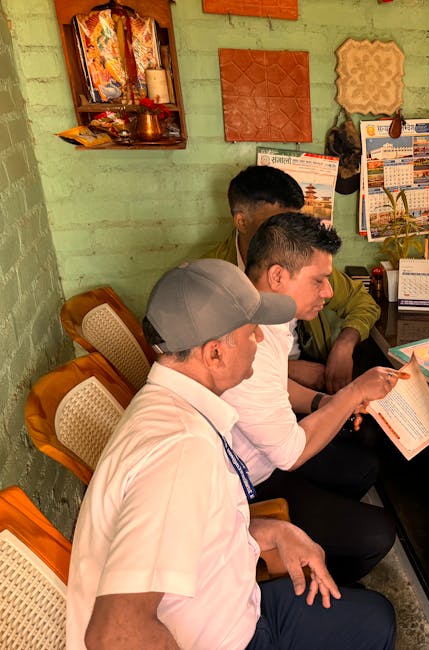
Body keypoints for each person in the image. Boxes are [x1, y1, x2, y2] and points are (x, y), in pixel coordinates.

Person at [66, 259, 395, 650]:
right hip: (229, 638)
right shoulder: (179, 452)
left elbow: (201, 530)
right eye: (251, 330)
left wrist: (276, 531)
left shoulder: (174, 407)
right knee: (373, 625)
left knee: (376, 617)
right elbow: (116, 634)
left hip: (236, 603)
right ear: (216, 353)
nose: (259, 338)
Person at [222, 212, 400, 585]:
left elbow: (277, 387)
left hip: (263, 454)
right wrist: (353, 393)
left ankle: (320, 537)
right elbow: (291, 454)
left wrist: (322, 403)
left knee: (364, 466)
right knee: (378, 534)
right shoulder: (244, 338)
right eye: (319, 281)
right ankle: (307, 585)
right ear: (277, 276)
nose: (329, 292)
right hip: (246, 484)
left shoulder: (270, 313)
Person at [206, 165, 381, 393]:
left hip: (312, 381)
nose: (290, 233)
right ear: (242, 221)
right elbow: (212, 365)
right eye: (277, 224)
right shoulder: (211, 280)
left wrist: (344, 344)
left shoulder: (301, 258)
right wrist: (290, 369)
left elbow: (361, 301)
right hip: (252, 390)